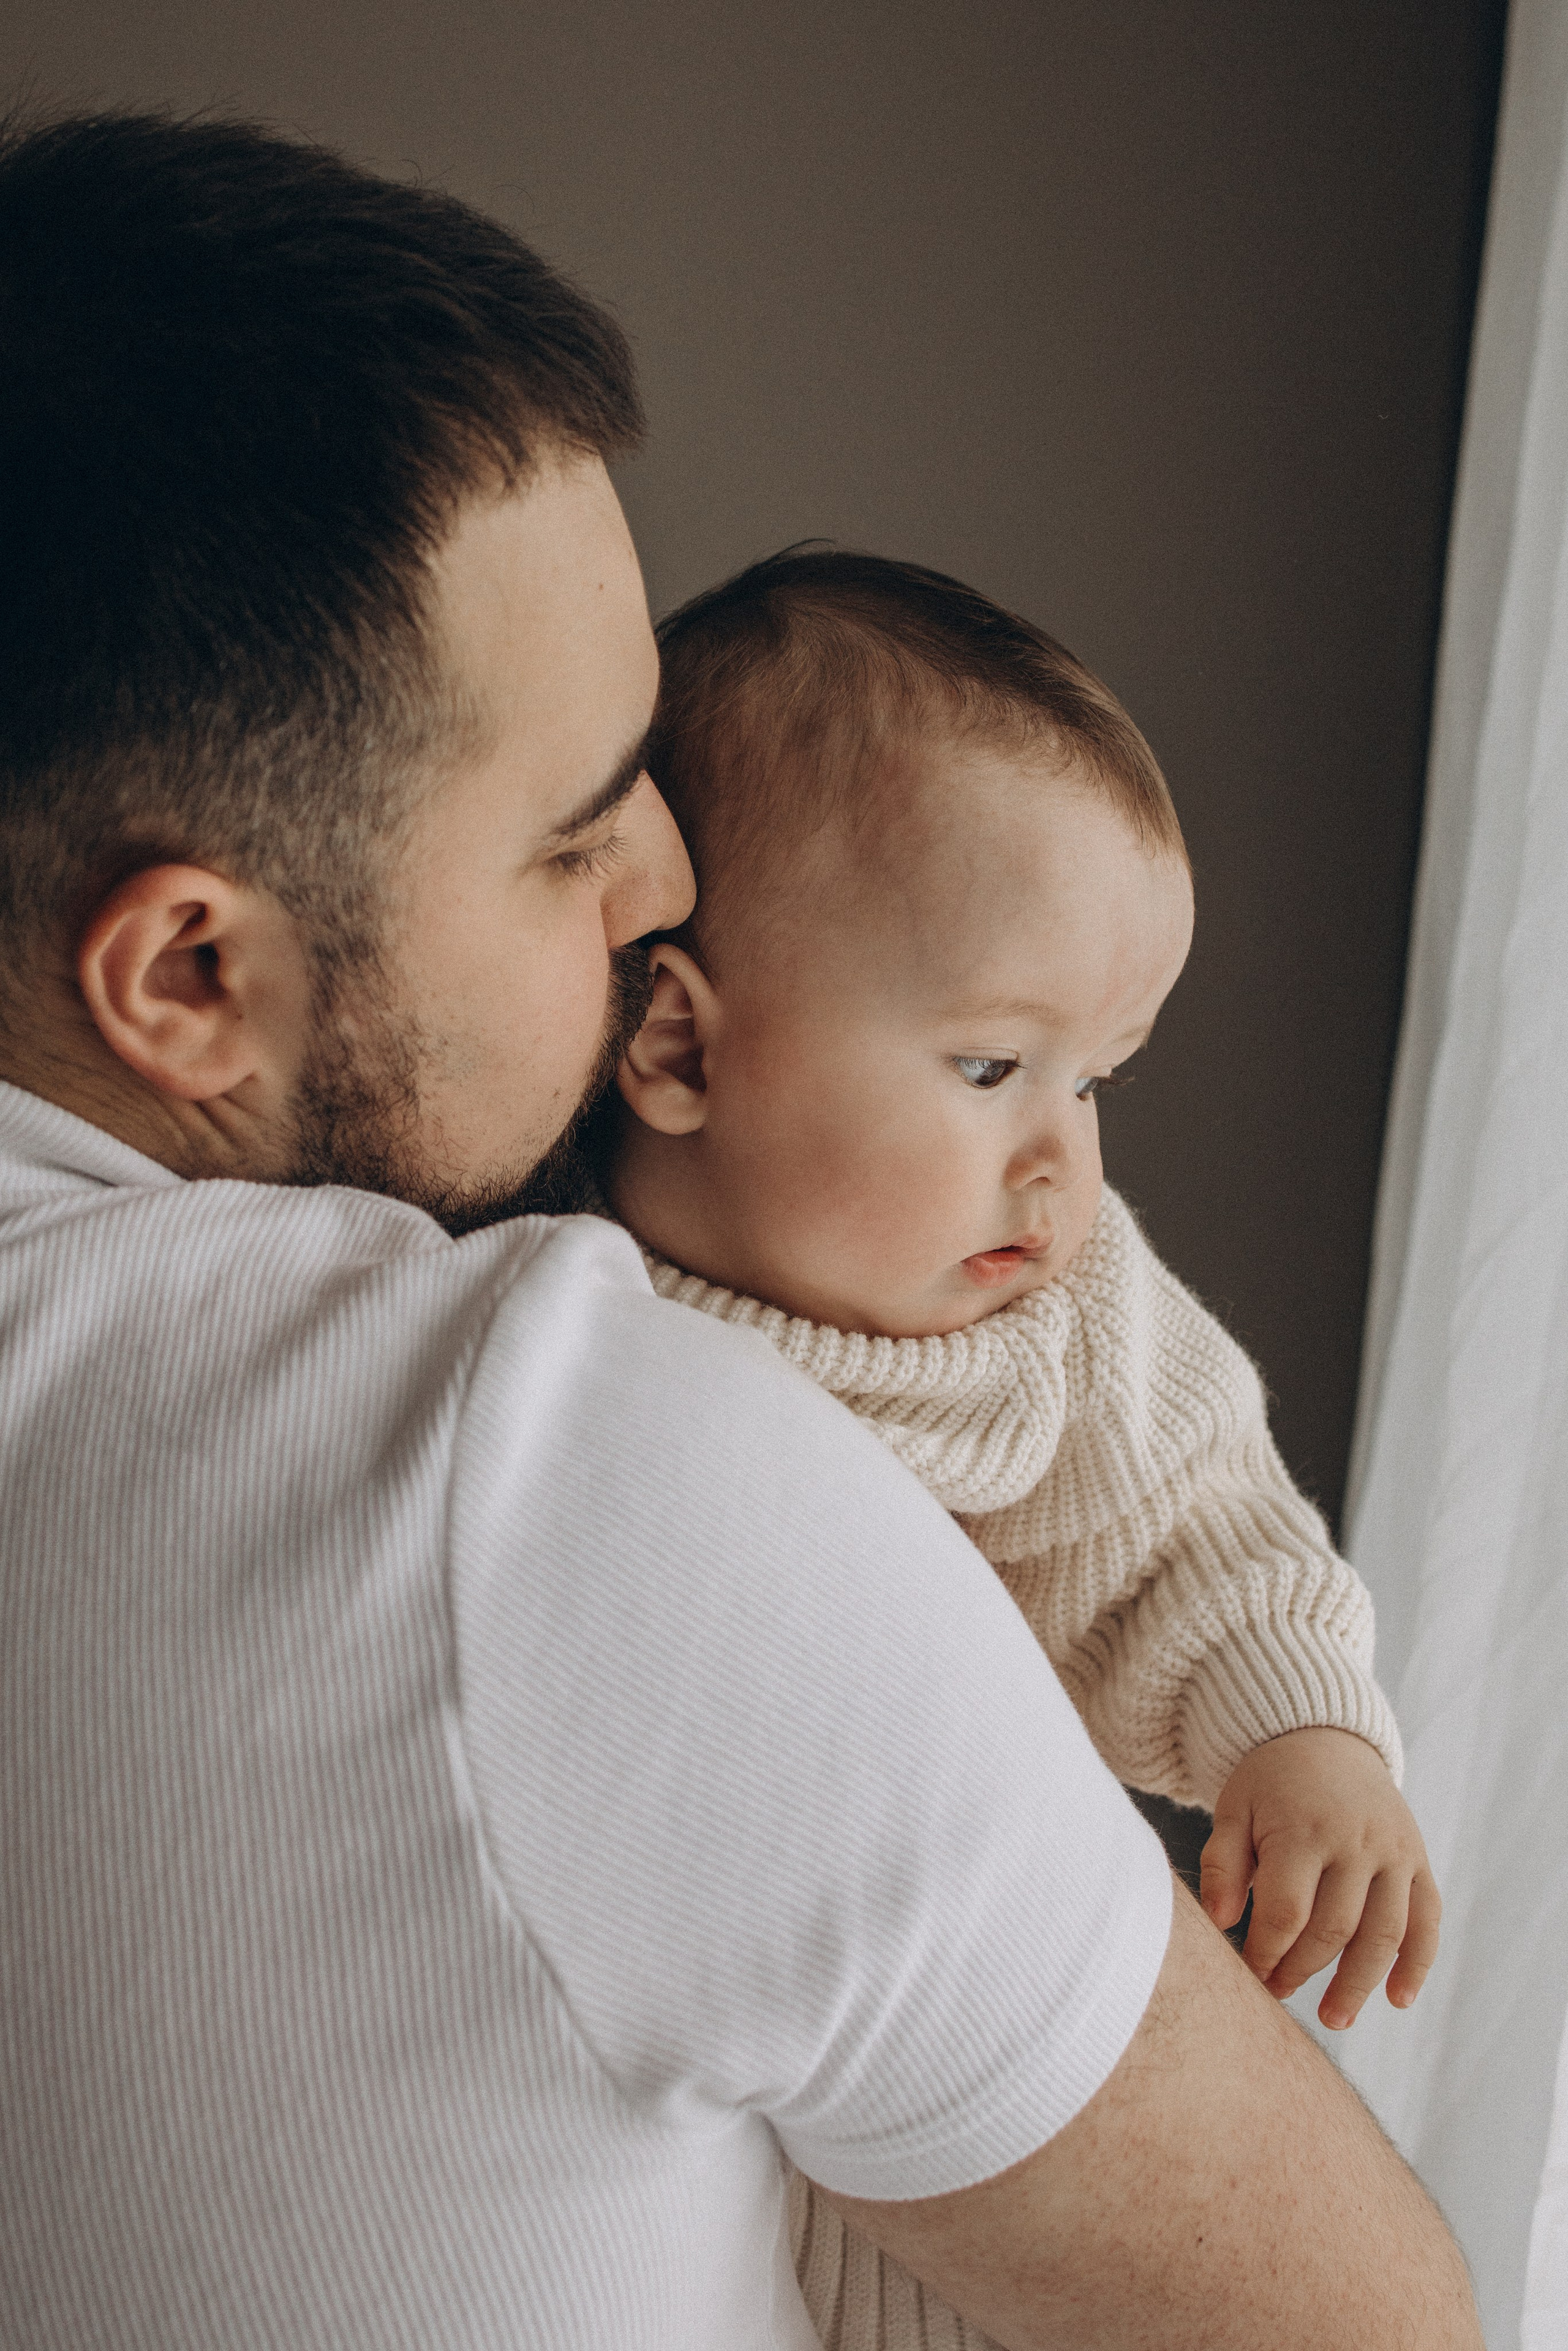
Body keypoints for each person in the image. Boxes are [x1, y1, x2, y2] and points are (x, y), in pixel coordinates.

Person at [0, 108, 1479, 2351]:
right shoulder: (538, 1465)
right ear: (191, 975)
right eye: (575, 841)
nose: (669, 898)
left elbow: (1191, 1506)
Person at [594, 549, 1444, 2347]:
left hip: (964, 2069)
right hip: (675, 2049)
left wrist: (1304, 1738)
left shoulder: (1055, 1324)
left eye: (1098, 1080)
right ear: (675, 1039)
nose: (1067, 1162)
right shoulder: (541, 1292)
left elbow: (1198, 1528)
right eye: (992, 1068)